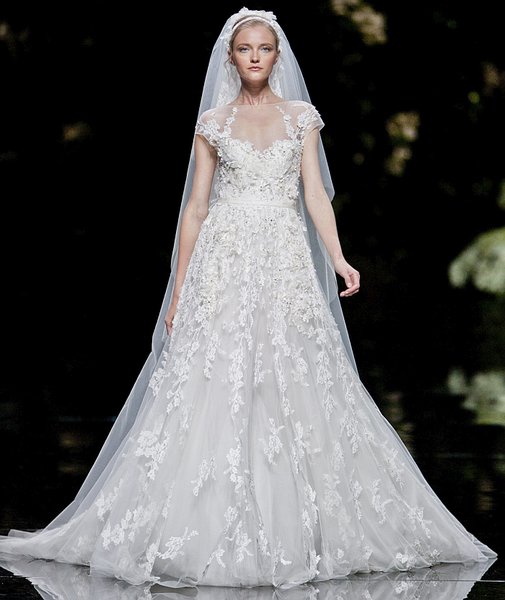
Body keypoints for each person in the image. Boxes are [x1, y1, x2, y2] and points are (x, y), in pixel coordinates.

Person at [0, 6, 497, 590]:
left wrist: (338, 258)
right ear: (231, 58)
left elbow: (315, 193)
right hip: (224, 262)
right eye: (245, 49)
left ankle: (300, 528)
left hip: (284, 262)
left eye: (264, 47)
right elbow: (195, 207)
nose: (255, 56)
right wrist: (179, 288)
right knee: (217, 381)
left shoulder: (301, 118)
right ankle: (201, 528)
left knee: (295, 380)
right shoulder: (212, 123)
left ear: (277, 55)